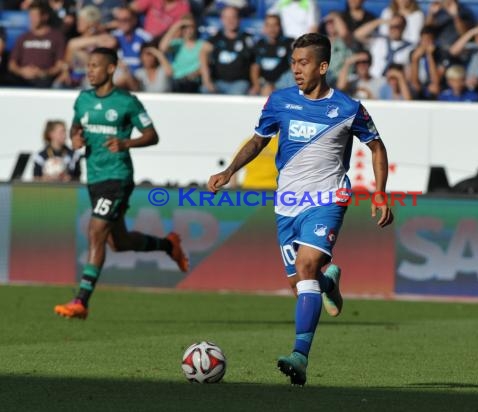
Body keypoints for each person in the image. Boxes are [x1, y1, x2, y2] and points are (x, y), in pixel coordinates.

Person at [207, 33, 393, 386]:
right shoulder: (279, 101)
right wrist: (230, 170)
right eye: (293, 62)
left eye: (303, 63)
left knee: (306, 265)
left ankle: (299, 357)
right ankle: (328, 281)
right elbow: (259, 139)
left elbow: (377, 147)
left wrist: (380, 193)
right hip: (288, 202)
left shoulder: (348, 108)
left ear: (323, 67)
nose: (296, 69)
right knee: (300, 284)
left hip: (327, 199)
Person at [54, 48, 189, 320]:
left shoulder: (127, 101)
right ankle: (168, 245)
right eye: (87, 66)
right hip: (93, 176)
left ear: (110, 69)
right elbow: (75, 128)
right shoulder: (82, 99)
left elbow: (152, 135)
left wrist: (126, 142)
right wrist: (75, 138)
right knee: (119, 242)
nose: (89, 70)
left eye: (94, 66)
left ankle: (81, 301)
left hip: (117, 177)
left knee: (95, 231)